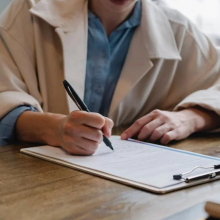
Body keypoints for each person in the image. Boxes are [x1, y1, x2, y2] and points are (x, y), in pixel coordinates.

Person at [0, 0, 220, 155]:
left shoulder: (180, 30)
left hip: (128, 187)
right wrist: (54, 128)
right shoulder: (28, 9)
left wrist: (189, 118)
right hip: (32, 180)